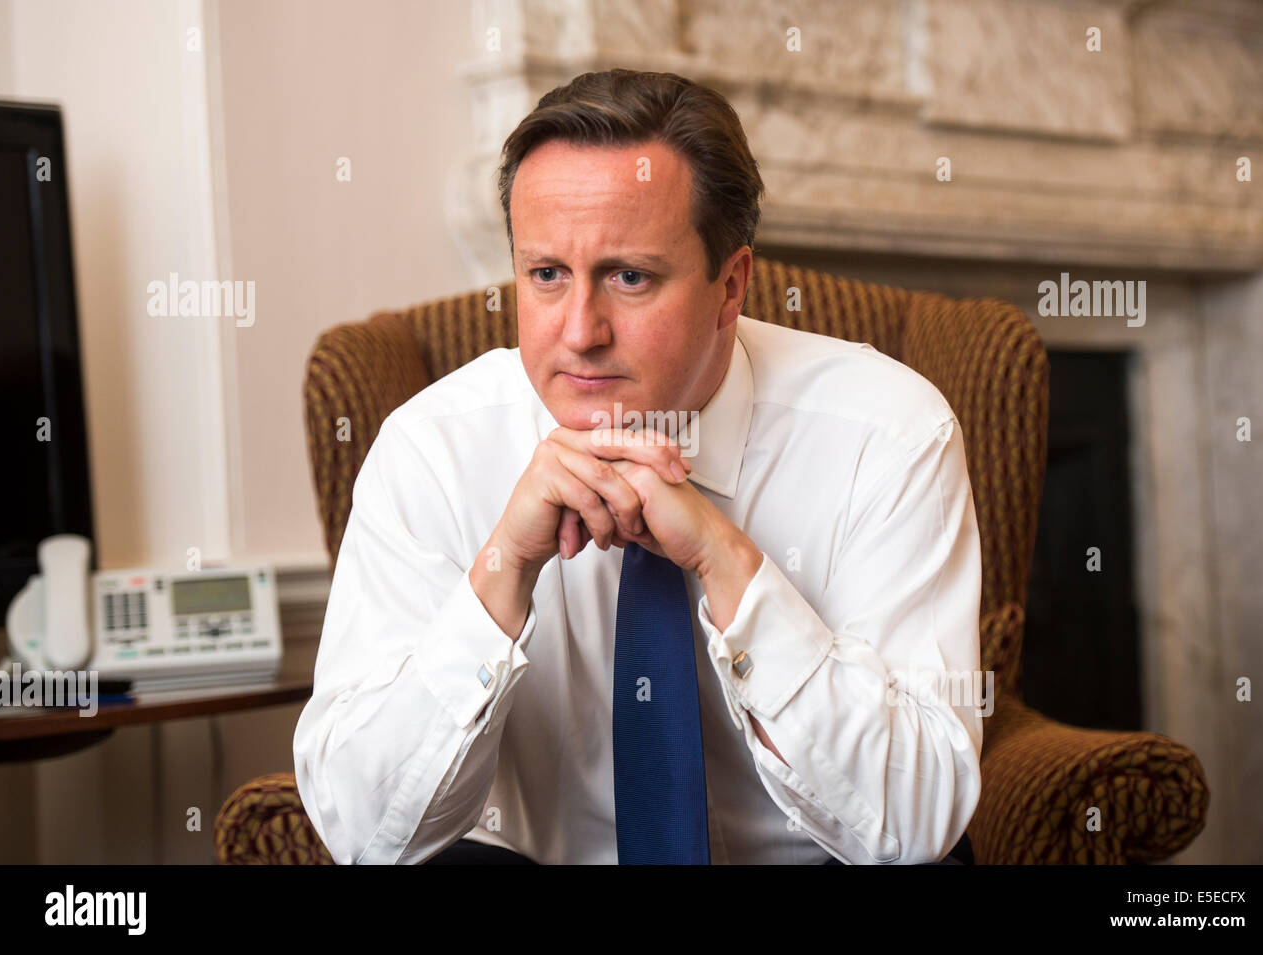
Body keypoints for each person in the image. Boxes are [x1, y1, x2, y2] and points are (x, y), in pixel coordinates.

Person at [294, 68, 984, 865]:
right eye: (546, 274)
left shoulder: (887, 434)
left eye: (630, 277)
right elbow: (361, 832)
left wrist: (727, 564)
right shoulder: (433, 450)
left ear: (732, 286)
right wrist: (499, 578)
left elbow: (921, 817)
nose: (580, 332)